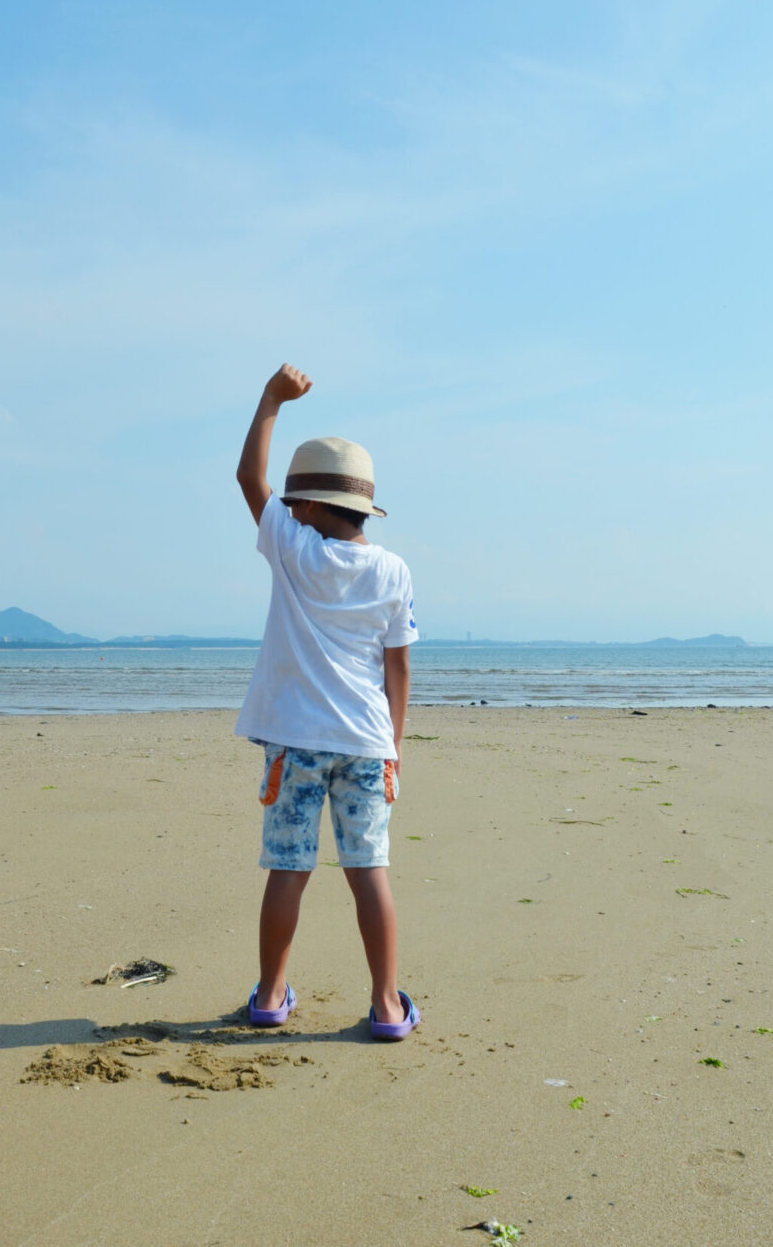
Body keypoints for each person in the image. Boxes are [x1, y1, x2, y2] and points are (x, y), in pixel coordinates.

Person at [232, 363, 421, 1040]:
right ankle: (388, 1005)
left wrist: (270, 400)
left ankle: (271, 995)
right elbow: (397, 665)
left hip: (295, 741)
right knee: (370, 870)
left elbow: (248, 481)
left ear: (308, 508)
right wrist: (394, 747)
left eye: (292, 504)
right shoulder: (393, 569)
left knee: (289, 867)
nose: (283, 511)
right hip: (369, 744)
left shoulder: (293, 550)